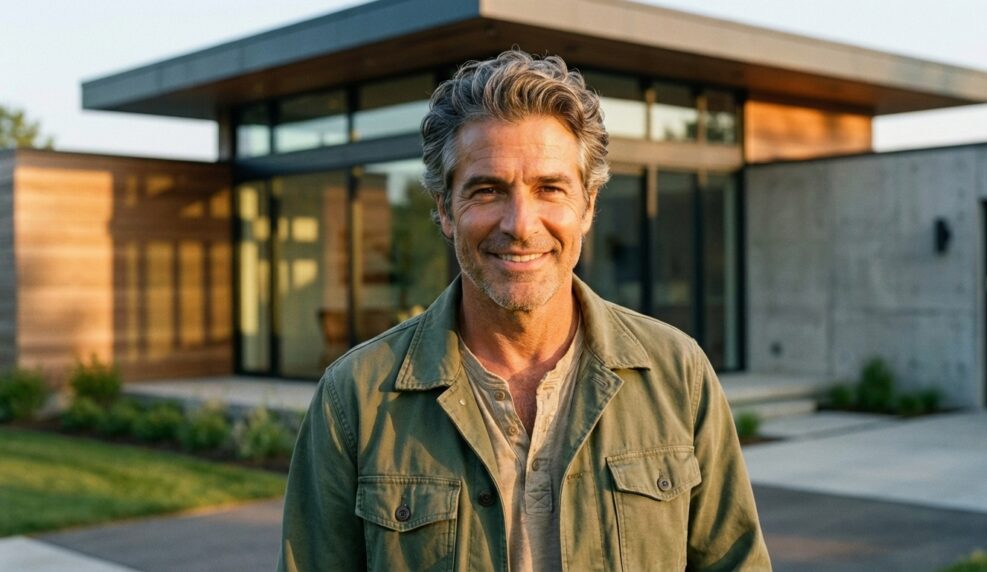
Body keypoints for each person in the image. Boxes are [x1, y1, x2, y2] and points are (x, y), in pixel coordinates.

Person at [279, 50, 771, 571]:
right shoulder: (354, 398)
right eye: (487, 190)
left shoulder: (679, 375)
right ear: (445, 209)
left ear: (588, 205)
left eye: (549, 188)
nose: (520, 224)